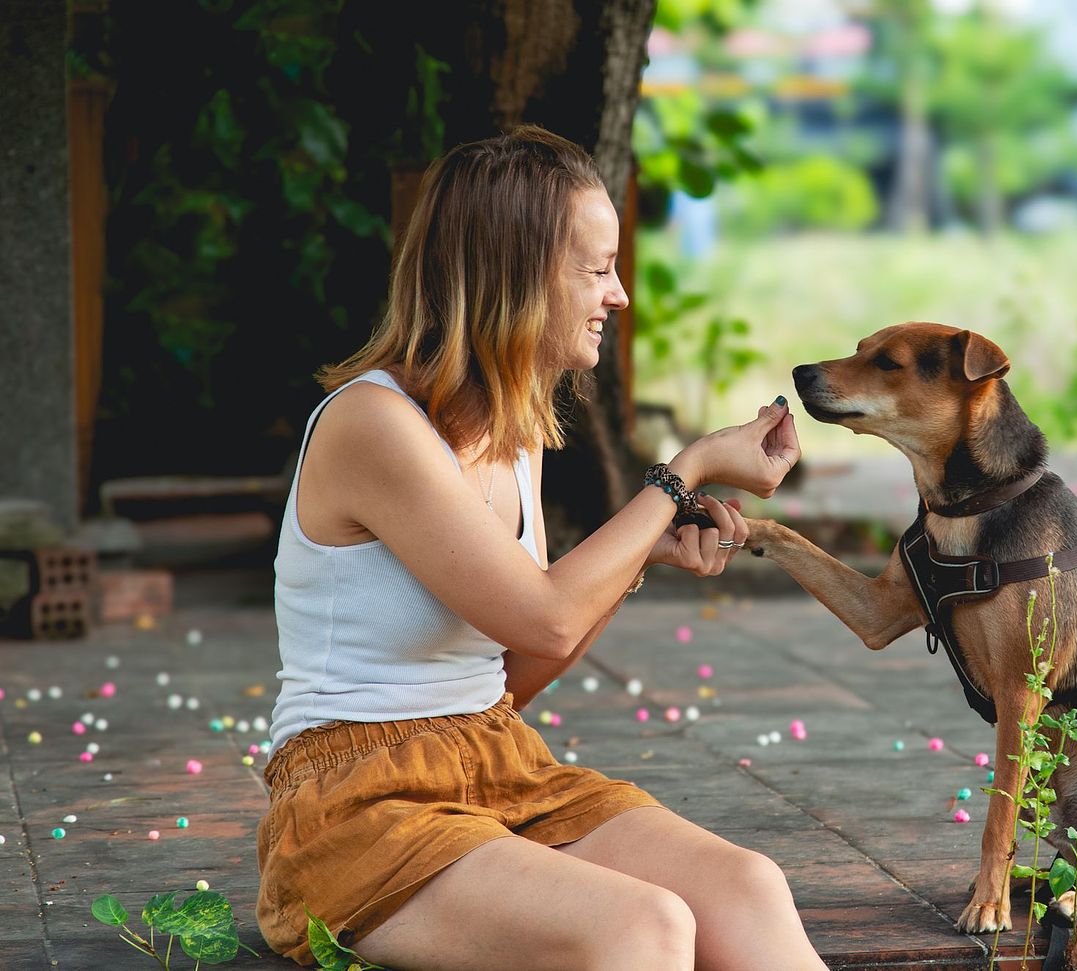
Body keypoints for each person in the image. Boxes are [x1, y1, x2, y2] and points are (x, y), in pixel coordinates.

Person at [255, 125, 821, 971]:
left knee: (749, 886)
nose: (619, 294)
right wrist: (685, 468)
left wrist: (639, 561)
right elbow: (551, 619)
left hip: (498, 763)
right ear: (513, 275)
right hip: (355, 803)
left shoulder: (516, 432)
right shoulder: (373, 425)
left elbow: (518, 664)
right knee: (643, 926)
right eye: (596, 269)